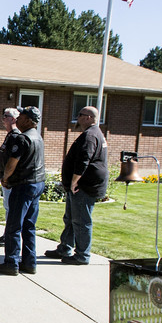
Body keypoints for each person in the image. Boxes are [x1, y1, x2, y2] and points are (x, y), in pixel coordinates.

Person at [44, 105, 108, 266]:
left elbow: (84, 160)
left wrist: (74, 182)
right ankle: (65, 247)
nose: (77, 118)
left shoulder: (90, 136)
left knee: (81, 221)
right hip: (83, 185)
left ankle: (82, 255)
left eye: (80, 115)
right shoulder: (93, 134)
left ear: (89, 118)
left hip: (84, 186)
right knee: (71, 218)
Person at [0, 107, 47, 276]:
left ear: (29, 121)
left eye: (21, 117)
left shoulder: (23, 138)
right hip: (37, 184)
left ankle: (11, 263)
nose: (18, 119)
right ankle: (30, 262)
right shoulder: (38, 137)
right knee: (29, 225)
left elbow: (12, 163)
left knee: (14, 225)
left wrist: (6, 179)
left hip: (24, 185)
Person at [0, 107, 21, 246]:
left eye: (6, 116)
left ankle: (9, 236)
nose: (3, 119)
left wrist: (7, 177)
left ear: (14, 119)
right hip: (5, 177)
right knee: (7, 208)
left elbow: (13, 159)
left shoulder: (15, 136)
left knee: (11, 209)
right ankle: (7, 234)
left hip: (10, 179)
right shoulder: (10, 135)